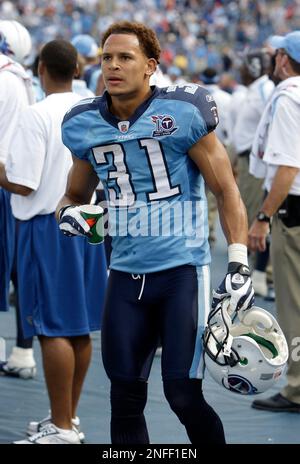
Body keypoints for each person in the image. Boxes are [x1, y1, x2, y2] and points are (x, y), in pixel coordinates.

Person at [58, 21, 254, 445]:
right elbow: (71, 197)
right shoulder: (85, 124)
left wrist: (238, 261)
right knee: (124, 397)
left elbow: (226, 189)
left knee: (182, 393)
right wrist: (75, 218)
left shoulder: (182, 113)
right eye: (107, 57)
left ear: (149, 66)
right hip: (125, 275)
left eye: (125, 57)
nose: (112, 65)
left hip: (182, 271)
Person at [0, 39, 107, 444]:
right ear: (78, 70)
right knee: (76, 326)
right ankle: (67, 418)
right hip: (88, 218)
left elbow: (23, 184)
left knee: (53, 327)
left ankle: (62, 427)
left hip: (48, 223)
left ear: (41, 68)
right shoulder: (91, 109)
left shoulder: (37, 113)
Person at [248, 31, 300, 412]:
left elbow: (287, 167)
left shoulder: (289, 97)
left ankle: (297, 388)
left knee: (294, 307)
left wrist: (263, 216)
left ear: (284, 59)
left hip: (294, 209)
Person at [0, 19, 36, 379]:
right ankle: (23, 348)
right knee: (17, 268)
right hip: (19, 178)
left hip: (2, 176)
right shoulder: (22, 78)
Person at [232, 49, 274, 298]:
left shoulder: (264, 89)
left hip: (258, 163)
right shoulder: (254, 89)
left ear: (255, 67)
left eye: (245, 66)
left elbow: (272, 126)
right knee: (248, 215)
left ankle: (256, 275)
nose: (241, 70)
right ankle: (254, 275)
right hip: (248, 161)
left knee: (254, 217)